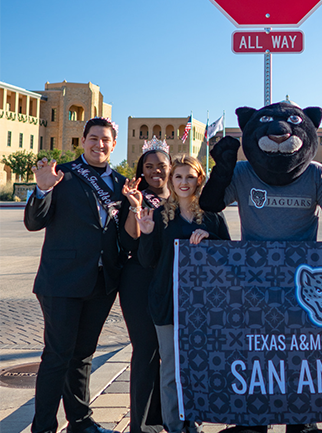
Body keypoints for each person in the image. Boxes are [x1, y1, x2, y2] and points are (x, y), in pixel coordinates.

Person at [24, 117, 125, 433]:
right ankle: (43, 427)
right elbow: (34, 222)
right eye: (93, 138)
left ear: (113, 144)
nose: (99, 145)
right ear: (83, 141)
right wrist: (41, 189)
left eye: (106, 139)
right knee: (57, 356)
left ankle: (80, 422)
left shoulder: (122, 184)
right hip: (62, 280)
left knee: (83, 356)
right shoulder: (61, 175)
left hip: (101, 281)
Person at [133, 155, 230, 433]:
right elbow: (147, 260)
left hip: (203, 304)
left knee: (200, 365)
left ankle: (194, 421)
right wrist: (147, 233)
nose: (184, 182)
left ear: (200, 179)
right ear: (171, 181)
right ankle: (175, 425)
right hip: (168, 300)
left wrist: (210, 241)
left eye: (190, 176)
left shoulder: (212, 215)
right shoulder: (162, 214)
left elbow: (229, 255)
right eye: (178, 177)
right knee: (171, 368)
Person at [119, 137, 172, 433]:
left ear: (170, 167)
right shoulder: (137, 197)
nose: (155, 171)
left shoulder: (181, 196)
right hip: (138, 279)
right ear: (141, 170)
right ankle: (141, 425)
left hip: (171, 281)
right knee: (146, 350)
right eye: (148, 166)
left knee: (171, 352)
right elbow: (129, 240)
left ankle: (167, 416)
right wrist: (134, 208)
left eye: (161, 166)